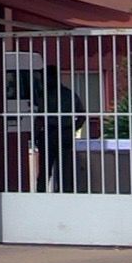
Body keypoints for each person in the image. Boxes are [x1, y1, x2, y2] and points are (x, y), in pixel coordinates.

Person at [32, 65, 86, 193]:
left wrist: (35, 135)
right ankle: (64, 196)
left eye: (45, 77)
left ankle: (41, 196)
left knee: (45, 170)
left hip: (50, 134)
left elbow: (40, 118)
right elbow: (82, 115)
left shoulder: (45, 95)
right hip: (65, 134)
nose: (43, 80)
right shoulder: (69, 94)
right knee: (65, 170)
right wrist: (72, 128)